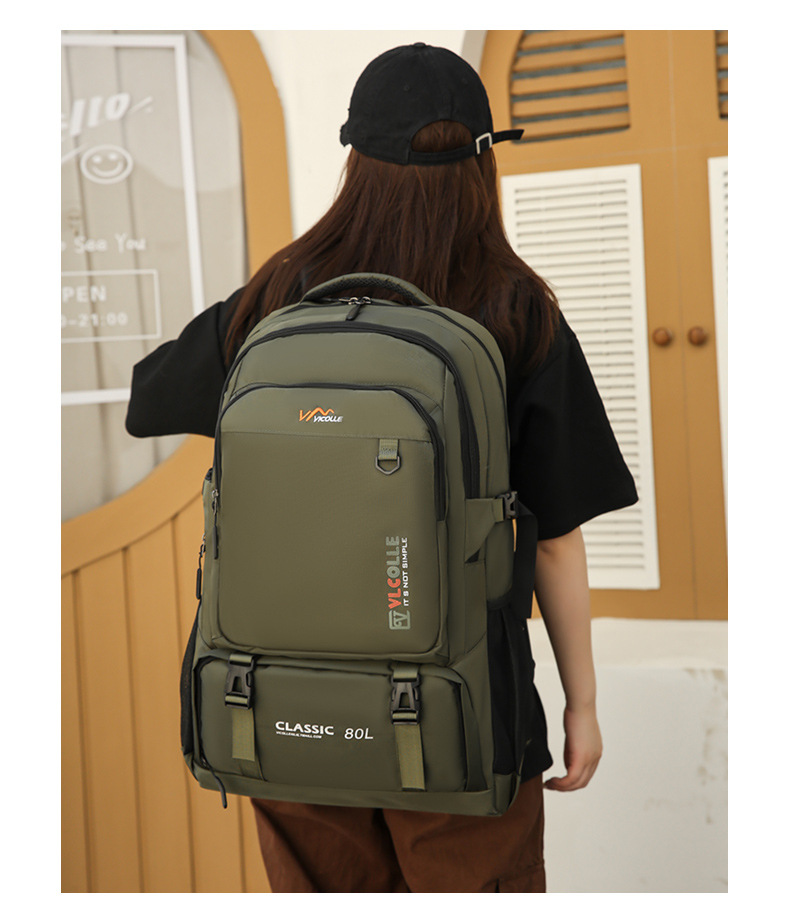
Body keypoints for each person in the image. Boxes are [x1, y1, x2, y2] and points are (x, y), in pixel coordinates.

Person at [126, 42, 638, 893]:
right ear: (482, 164)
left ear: (354, 158)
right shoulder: (517, 310)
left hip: (282, 712)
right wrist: (581, 705)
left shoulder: (280, 294)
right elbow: (553, 539)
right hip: (461, 715)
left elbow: (149, 397)